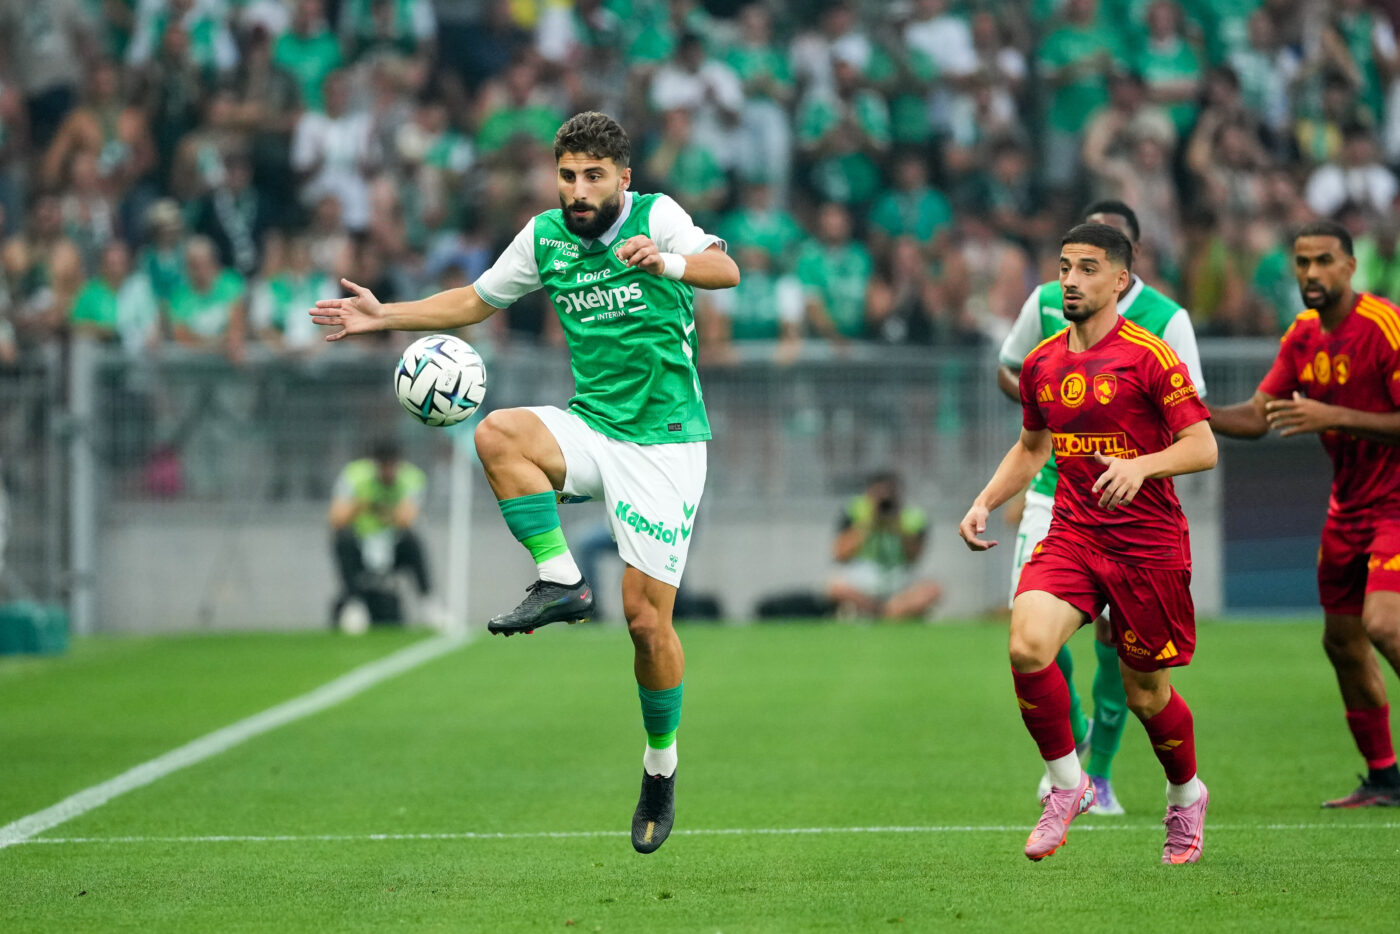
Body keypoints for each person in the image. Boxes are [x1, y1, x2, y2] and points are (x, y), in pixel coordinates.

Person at [310, 112, 739, 854]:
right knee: (496, 433)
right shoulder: (544, 237)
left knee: (646, 625)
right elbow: (476, 300)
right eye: (567, 175)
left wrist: (666, 262)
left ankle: (660, 768)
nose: (578, 190)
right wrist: (386, 318)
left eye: (593, 176)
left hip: (666, 445)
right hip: (594, 428)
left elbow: (723, 270)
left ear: (622, 178)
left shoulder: (658, 216)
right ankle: (562, 580)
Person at [960, 223, 1217, 864]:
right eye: (1064, 267)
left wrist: (1142, 466)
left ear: (1121, 281)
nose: (1070, 281)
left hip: (1146, 546)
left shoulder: (1150, 356)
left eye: (1087, 269)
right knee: (1026, 647)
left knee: (1145, 695)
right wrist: (984, 501)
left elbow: (1203, 446)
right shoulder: (1042, 362)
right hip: (1073, 534)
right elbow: (1031, 449)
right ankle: (1068, 785)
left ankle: (1186, 795)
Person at [1209, 219, 1400, 808]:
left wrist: (1332, 416)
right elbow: (1258, 415)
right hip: (1347, 507)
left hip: (1396, 504)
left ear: (1350, 267)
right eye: (1302, 262)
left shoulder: (1385, 327)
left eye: (1323, 261)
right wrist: (1188, 410)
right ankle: (1385, 779)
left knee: (1385, 625)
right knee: (1341, 642)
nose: (1311, 273)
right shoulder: (1302, 335)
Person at [328, 439, 433, 629]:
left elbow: (406, 519)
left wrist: (376, 506)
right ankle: (354, 605)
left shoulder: (412, 478)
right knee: (342, 540)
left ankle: (429, 603)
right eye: (383, 466)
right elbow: (336, 518)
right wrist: (363, 504)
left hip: (392, 542)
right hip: (361, 542)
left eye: (392, 466)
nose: (388, 472)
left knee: (413, 541)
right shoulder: (354, 475)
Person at [827, 471, 942, 620]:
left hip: (899, 581)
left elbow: (914, 557)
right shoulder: (854, 511)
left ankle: (883, 612)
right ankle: (889, 613)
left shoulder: (913, 516)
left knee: (932, 590)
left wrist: (897, 527)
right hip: (863, 581)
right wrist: (869, 524)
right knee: (835, 587)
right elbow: (839, 554)